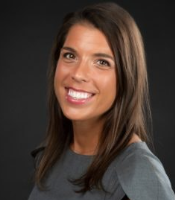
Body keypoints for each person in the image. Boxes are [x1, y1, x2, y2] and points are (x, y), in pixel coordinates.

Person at [28, 2, 175, 200]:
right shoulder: (49, 155)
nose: (78, 74)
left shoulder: (140, 173)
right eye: (70, 56)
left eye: (102, 62)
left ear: (126, 77)